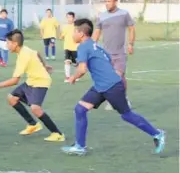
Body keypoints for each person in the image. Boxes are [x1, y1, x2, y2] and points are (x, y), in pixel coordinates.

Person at [61, 19, 165, 156]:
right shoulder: (95, 46)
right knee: (80, 109)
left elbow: (82, 69)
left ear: (81, 33)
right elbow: (107, 60)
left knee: (127, 115)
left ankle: (157, 134)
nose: (72, 34)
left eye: (74, 31)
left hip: (111, 86)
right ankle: (80, 146)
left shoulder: (83, 47)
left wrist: (73, 77)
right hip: (101, 86)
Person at [0, 29, 65, 142]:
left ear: (15, 43)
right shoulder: (24, 50)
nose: (6, 45)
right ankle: (33, 124)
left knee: (35, 108)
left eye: (8, 43)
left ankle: (57, 134)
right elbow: (37, 52)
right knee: (12, 98)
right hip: (31, 81)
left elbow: (15, 80)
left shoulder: (23, 56)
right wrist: (45, 65)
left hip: (41, 81)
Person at [92, 0, 135, 110]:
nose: (106, 4)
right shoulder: (101, 16)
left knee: (119, 77)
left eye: (109, 1)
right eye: (105, 1)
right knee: (109, 78)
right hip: (106, 53)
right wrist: (92, 45)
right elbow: (97, 31)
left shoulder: (124, 14)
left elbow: (131, 29)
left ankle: (123, 99)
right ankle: (112, 100)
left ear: (115, 1)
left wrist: (131, 44)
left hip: (120, 52)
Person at [60, 12, 79, 82]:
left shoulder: (77, 27)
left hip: (75, 48)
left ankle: (77, 76)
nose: (69, 19)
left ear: (74, 18)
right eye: (67, 17)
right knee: (67, 62)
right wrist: (60, 35)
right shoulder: (65, 27)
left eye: (70, 17)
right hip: (67, 47)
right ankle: (67, 77)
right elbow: (61, 36)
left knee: (76, 64)